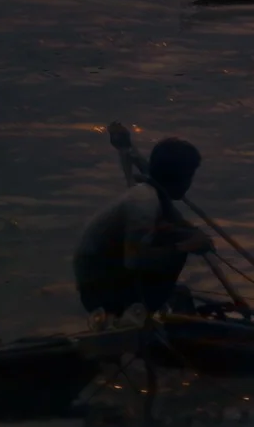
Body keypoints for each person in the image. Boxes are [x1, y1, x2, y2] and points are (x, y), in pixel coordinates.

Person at [73, 136, 213, 318]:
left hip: (109, 277)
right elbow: (135, 260)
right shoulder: (143, 202)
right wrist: (187, 246)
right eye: (190, 176)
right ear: (180, 178)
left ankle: (151, 307)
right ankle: (138, 311)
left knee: (172, 243)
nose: (189, 183)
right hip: (99, 291)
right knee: (176, 252)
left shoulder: (149, 195)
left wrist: (183, 236)